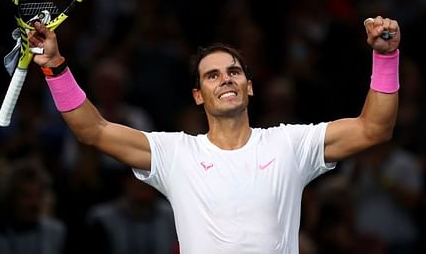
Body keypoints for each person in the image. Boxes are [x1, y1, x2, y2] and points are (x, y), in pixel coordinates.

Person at [27, 15, 400, 254]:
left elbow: (373, 129)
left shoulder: (290, 145)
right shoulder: (176, 154)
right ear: (198, 95)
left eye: (233, 72)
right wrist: (54, 67)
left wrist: (386, 57)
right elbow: (93, 130)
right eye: (213, 75)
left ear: (249, 87)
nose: (226, 79)